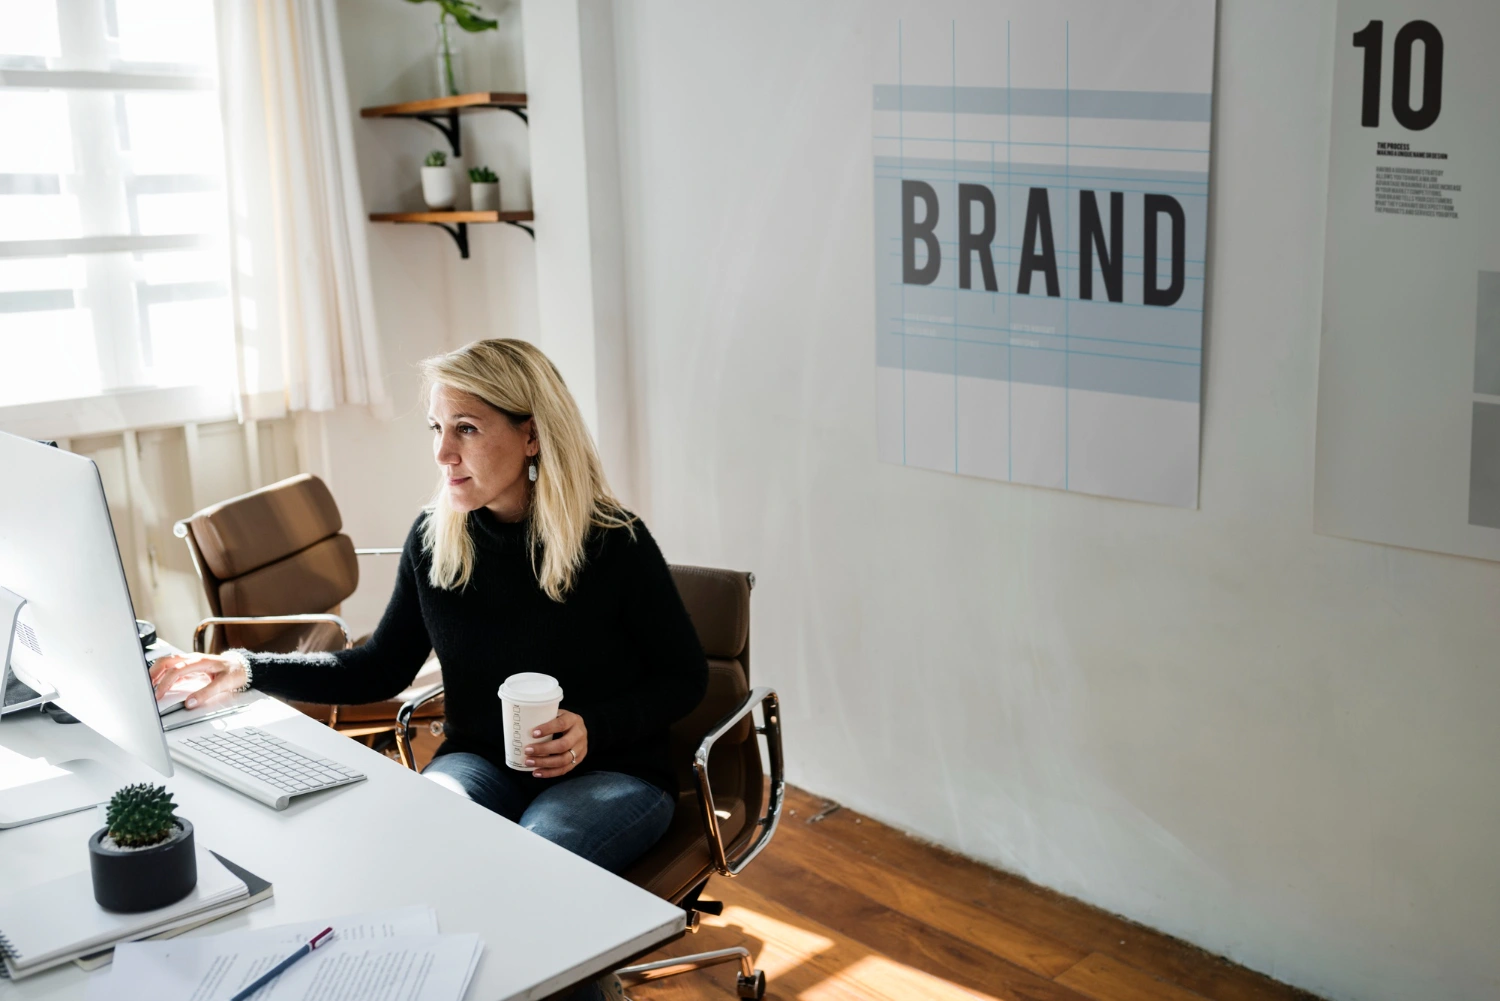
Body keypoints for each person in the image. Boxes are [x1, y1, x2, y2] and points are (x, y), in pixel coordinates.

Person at [151, 338, 709, 1001]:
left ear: (531, 435)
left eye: (467, 429)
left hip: (614, 771)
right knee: (423, 840)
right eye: (438, 428)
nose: (444, 452)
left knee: (536, 865)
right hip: (480, 761)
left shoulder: (613, 541)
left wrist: (594, 726)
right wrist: (244, 667)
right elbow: (376, 669)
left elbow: (685, 676)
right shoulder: (435, 538)